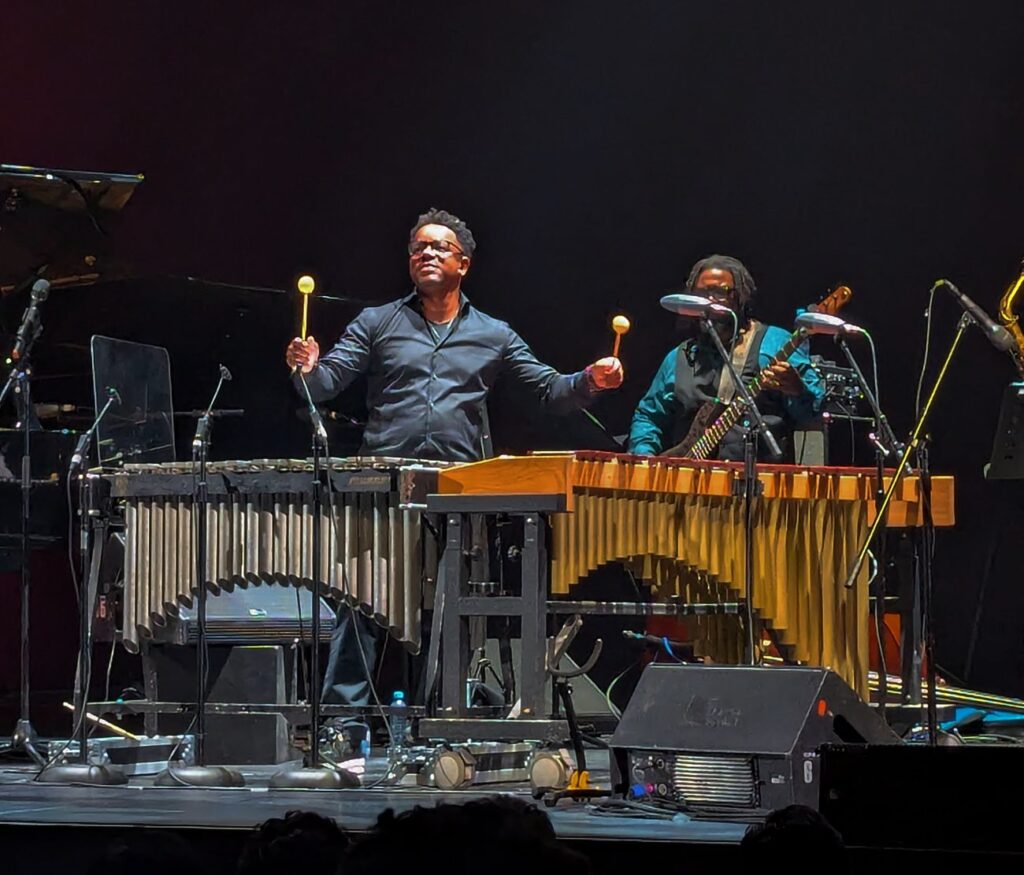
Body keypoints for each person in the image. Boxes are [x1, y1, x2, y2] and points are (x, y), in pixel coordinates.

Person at [285, 208, 623, 716]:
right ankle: (342, 723)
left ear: (463, 263)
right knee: (362, 605)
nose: (425, 253)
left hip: (456, 490)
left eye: (438, 247)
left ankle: (443, 720)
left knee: (447, 612)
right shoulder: (378, 321)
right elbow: (325, 383)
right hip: (383, 484)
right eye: (418, 247)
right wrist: (307, 370)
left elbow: (550, 391)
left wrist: (591, 380)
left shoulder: (493, 334)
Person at [629, 254, 823, 460]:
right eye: (701, 293)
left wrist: (798, 390)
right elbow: (648, 416)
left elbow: (814, 412)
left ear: (741, 297)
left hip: (756, 474)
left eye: (720, 292)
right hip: (686, 474)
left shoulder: (775, 343)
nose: (709, 300)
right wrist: (644, 457)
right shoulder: (679, 357)